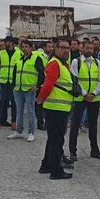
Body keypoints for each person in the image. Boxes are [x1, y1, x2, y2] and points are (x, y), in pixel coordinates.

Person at [37, 39, 74, 180]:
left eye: (68, 48)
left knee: (53, 139)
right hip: (56, 108)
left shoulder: (62, 64)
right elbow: (48, 84)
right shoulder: (55, 63)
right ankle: (56, 171)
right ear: (56, 49)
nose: (66, 50)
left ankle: (46, 165)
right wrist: (40, 98)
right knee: (57, 140)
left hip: (59, 107)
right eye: (63, 47)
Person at [68, 41, 100, 161]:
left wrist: (94, 93)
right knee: (75, 124)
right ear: (82, 49)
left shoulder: (97, 62)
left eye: (91, 48)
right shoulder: (76, 62)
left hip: (94, 98)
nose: (89, 50)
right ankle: (73, 151)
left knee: (93, 126)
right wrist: (84, 94)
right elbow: (75, 80)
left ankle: (94, 150)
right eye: (87, 48)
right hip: (80, 98)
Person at [9, 40, 45, 142]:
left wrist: (38, 86)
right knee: (19, 111)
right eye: (23, 47)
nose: (24, 48)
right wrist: (13, 86)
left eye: (26, 46)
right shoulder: (19, 60)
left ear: (30, 48)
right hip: (18, 89)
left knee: (30, 112)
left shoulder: (36, 59)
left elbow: (42, 73)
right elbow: (15, 74)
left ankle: (31, 133)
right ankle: (19, 131)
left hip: (29, 90)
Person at [0, 36, 21, 131]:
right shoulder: (1, 53)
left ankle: (14, 121)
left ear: (12, 43)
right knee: (1, 102)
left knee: (14, 103)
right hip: (3, 82)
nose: (5, 43)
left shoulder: (19, 53)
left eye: (7, 42)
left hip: (14, 82)